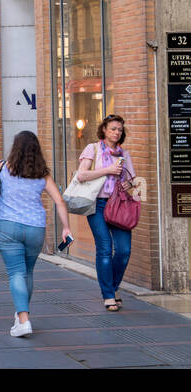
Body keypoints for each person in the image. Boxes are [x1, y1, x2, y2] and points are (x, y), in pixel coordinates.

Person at [0, 130, 73, 336]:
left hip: (8, 226)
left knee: (16, 272)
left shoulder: (2, 166)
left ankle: (23, 319)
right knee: (27, 272)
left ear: (15, 148)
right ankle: (22, 315)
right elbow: (59, 201)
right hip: (35, 228)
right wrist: (66, 228)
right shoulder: (43, 174)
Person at [75, 114, 137, 311]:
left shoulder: (124, 154)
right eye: (113, 129)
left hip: (118, 205)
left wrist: (128, 184)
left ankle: (113, 286)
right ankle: (108, 295)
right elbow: (82, 175)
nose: (117, 132)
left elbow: (132, 180)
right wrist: (107, 170)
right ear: (104, 130)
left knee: (124, 250)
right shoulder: (92, 149)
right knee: (104, 247)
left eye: (119, 129)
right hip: (98, 204)